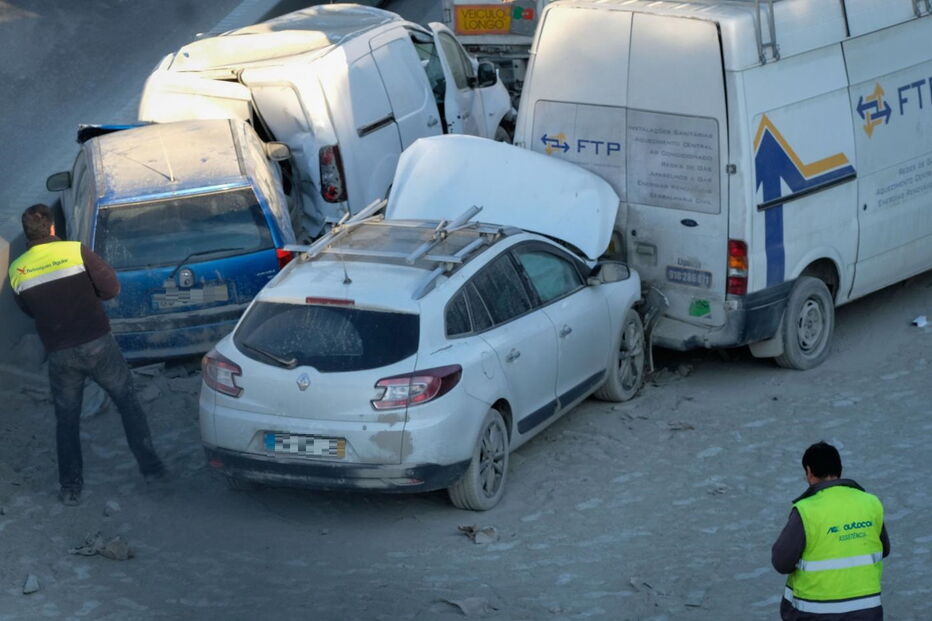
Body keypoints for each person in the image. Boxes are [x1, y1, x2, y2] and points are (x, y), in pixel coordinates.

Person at [8, 204, 165, 506]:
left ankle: (70, 487)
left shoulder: (17, 269)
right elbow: (111, 288)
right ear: (53, 229)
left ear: (28, 234)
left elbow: (28, 309)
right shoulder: (75, 251)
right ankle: (152, 469)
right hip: (98, 344)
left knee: (66, 419)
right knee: (127, 402)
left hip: (60, 353)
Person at [772, 441, 889, 620]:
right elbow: (884, 549)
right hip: (868, 612)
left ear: (809, 472)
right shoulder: (871, 503)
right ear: (840, 469)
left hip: (815, 614)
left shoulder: (806, 510)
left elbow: (781, 562)